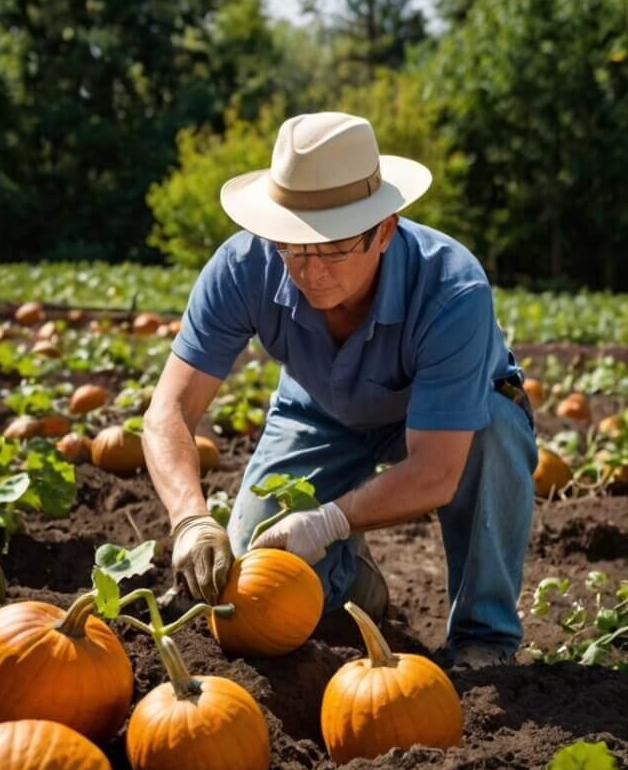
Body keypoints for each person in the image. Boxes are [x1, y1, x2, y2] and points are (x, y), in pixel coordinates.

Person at [143, 111, 538, 670]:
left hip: (451, 419)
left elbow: (435, 470)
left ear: (385, 229)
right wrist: (189, 519)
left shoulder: (453, 286)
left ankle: (483, 635)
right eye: (292, 246)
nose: (310, 271)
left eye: (331, 248)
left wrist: (328, 521)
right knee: (257, 563)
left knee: (494, 433)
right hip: (320, 409)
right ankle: (358, 582)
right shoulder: (243, 265)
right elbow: (170, 412)